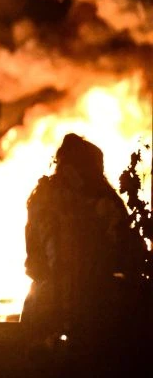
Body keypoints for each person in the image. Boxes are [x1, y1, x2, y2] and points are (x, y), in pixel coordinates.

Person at [22, 134, 145, 354]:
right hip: (101, 306)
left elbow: (33, 263)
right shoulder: (108, 203)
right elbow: (127, 258)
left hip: (46, 308)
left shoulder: (41, 199)